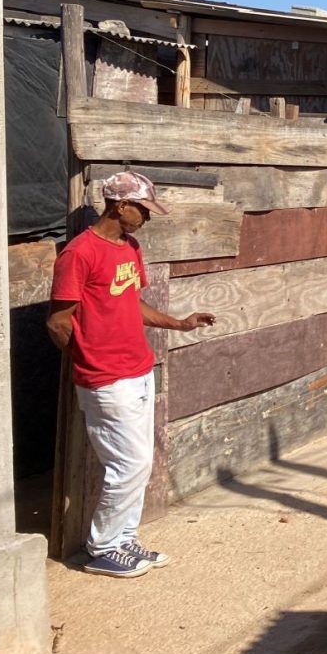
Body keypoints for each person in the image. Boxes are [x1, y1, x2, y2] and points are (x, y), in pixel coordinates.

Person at [47, 172, 216, 578]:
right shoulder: (79, 253)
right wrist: (90, 360)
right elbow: (58, 322)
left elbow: (130, 302)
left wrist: (180, 323)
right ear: (120, 206)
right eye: (143, 209)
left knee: (140, 463)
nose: (148, 217)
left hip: (138, 369)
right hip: (106, 379)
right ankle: (103, 548)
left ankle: (125, 540)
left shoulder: (129, 248)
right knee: (129, 464)